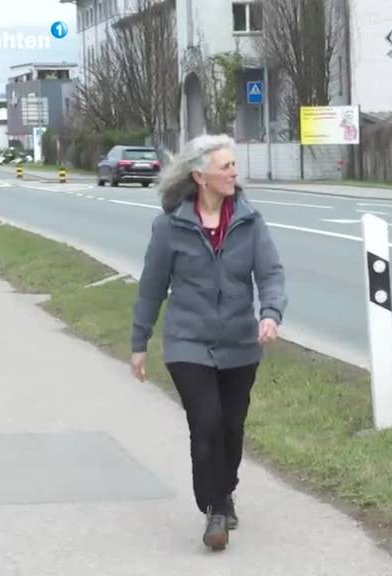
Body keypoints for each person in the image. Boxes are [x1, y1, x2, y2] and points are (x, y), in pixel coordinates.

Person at [129, 134, 287, 551]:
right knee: (206, 424)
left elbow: (270, 275)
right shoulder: (170, 227)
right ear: (200, 176)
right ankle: (214, 507)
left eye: (235, 166)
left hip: (238, 342)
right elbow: (151, 288)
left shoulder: (250, 223)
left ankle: (224, 491)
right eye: (226, 167)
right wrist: (139, 341)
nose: (234, 172)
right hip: (188, 343)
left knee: (232, 428)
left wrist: (270, 316)